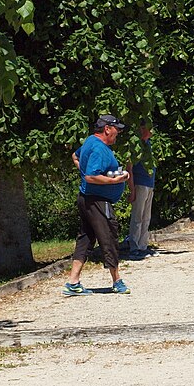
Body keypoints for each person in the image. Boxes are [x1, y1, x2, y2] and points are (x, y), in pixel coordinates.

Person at [64, 114, 131, 296]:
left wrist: (88, 172)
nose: (118, 133)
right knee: (109, 236)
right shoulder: (100, 148)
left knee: (85, 239)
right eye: (117, 129)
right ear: (107, 128)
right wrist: (115, 180)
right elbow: (90, 176)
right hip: (98, 202)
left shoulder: (89, 142)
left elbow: (75, 157)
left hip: (86, 199)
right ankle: (117, 281)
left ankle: (73, 282)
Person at [126, 120, 157, 260]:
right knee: (137, 217)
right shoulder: (136, 145)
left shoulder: (147, 144)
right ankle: (134, 246)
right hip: (140, 184)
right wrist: (132, 190)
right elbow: (129, 168)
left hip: (149, 184)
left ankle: (143, 245)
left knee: (146, 217)